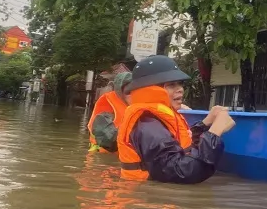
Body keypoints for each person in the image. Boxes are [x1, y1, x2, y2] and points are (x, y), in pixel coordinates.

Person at [117, 55, 235, 184]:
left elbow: (179, 146)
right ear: (151, 89)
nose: (180, 90)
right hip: (150, 198)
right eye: (172, 85)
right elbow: (182, 173)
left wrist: (204, 124)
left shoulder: (154, 120)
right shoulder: (149, 126)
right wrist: (214, 133)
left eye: (180, 84)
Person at [87, 71, 131, 153]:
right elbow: (107, 140)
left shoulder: (136, 105)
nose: (133, 94)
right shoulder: (107, 104)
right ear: (120, 90)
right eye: (128, 91)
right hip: (103, 160)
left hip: (124, 159)